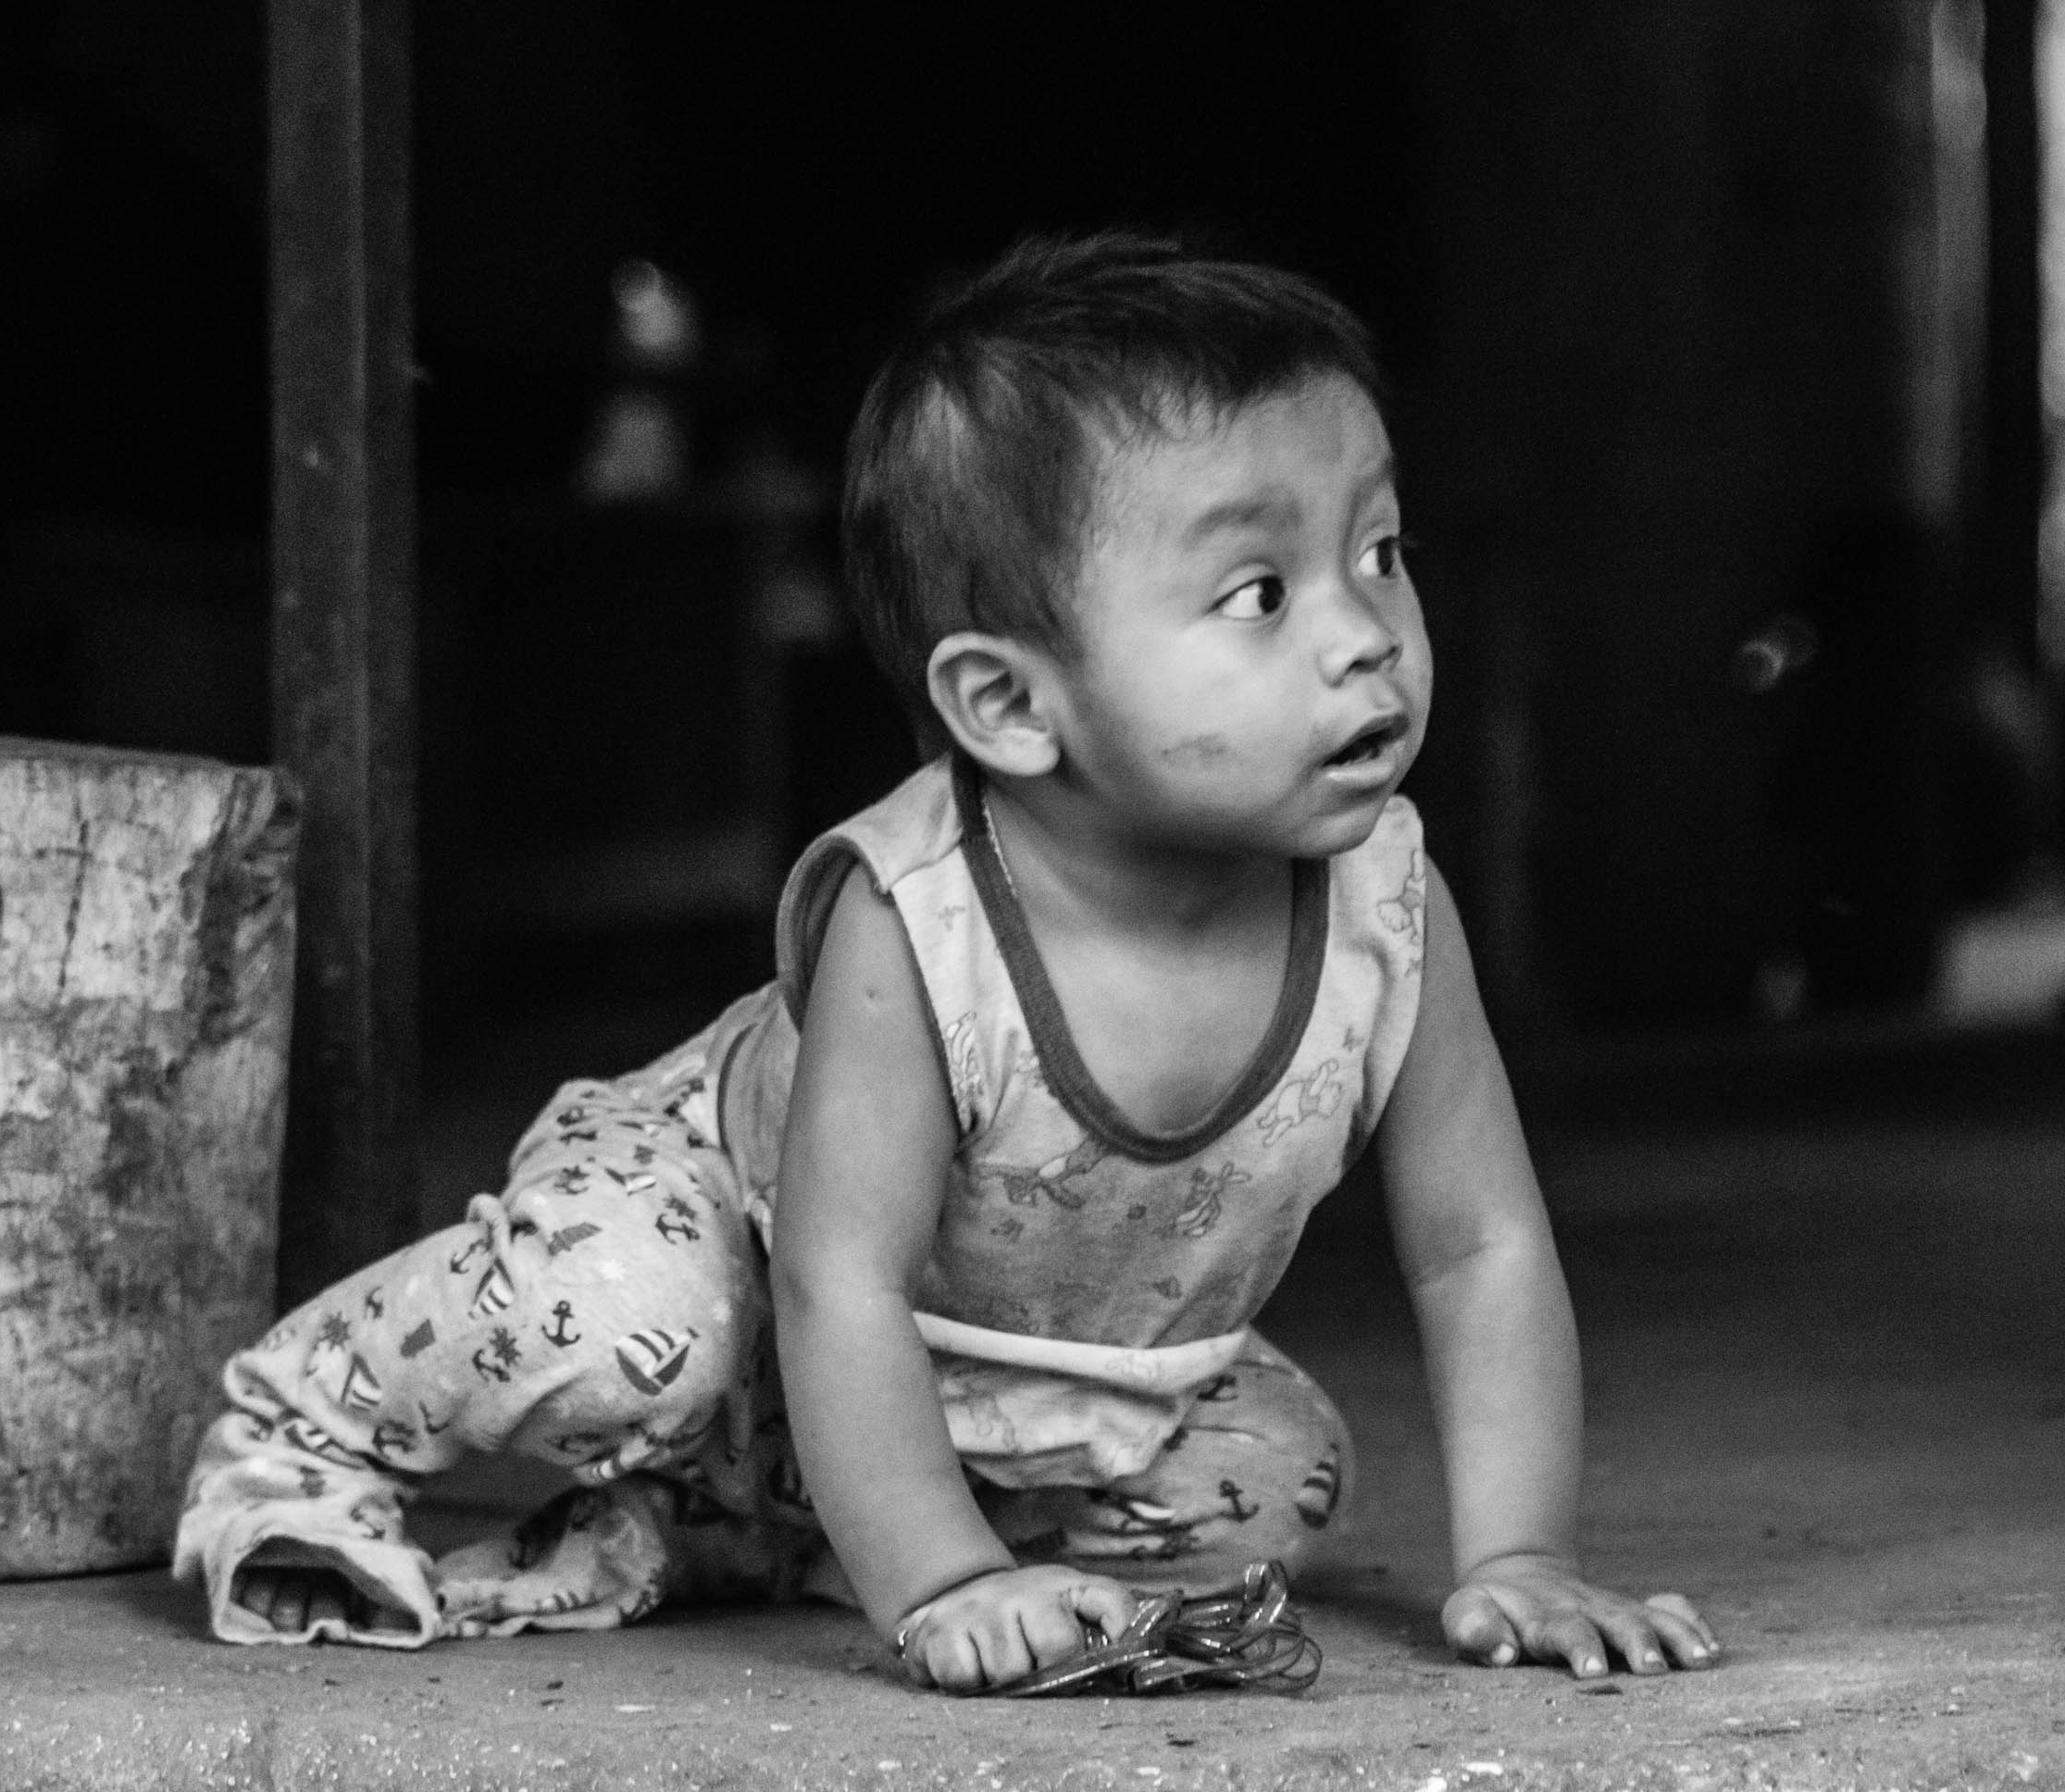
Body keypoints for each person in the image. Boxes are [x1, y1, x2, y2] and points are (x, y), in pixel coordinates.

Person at [174, 231, 1721, 1692]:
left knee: (1271, 1487)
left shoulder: (1385, 909)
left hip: (1014, 1365)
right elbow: (837, 1274)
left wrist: (1521, 1555)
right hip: (731, 1246)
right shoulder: (917, 923)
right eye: (1261, 592)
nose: (1365, 633)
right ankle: (302, 1431)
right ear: (1010, 707)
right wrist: (944, 1585)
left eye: (1379, 552)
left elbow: (1481, 1250)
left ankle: (742, 1526)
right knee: (611, 1315)